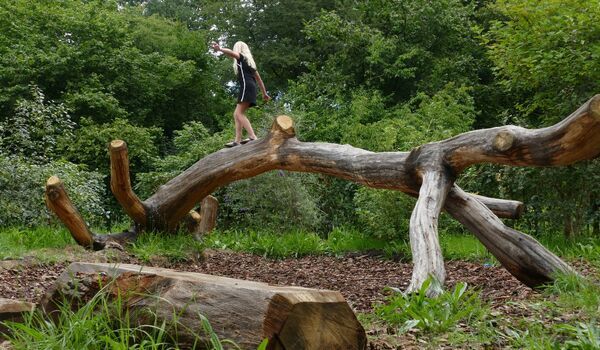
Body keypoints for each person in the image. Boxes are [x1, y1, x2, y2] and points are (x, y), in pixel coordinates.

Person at [211, 41, 270, 147]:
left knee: (239, 114)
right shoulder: (250, 64)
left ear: (238, 49)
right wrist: (264, 93)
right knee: (236, 113)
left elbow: (232, 53)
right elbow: (259, 80)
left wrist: (220, 49)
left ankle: (252, 136)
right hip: (250, 87)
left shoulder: (241, 58)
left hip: (246, 87)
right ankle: (237, 141)